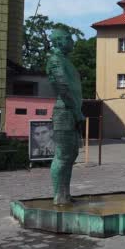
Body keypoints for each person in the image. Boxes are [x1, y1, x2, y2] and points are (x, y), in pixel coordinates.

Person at [47, 27, 84, 205]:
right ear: (59, 40)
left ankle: (64, 194)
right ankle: (59, 196)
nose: (72, 41)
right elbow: (63, 86)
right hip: (65, 111)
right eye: (69, 38)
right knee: (62, 155)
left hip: (71, 110)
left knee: (71, 154)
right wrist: (77, 111)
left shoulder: (65, 60)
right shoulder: (55, 60)